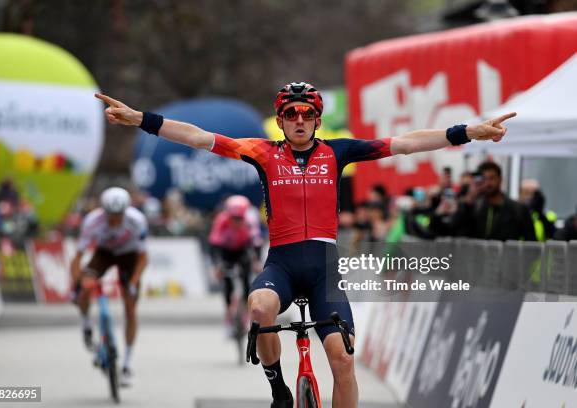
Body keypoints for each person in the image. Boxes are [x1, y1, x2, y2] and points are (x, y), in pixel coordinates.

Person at [95, 82, 515, 407]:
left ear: (317, 119)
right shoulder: (260, 151)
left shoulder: (339, 151)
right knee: (258, 309)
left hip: (325, 269)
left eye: (307, 114)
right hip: (282, 263)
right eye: (291, 114)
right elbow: (197, 137)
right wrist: (141, 120)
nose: (299, 120)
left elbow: (405, 143)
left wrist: (468, 132)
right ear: (280, 121)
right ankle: (278, 388)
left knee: (343, 360)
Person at [70, 187, 148, 387]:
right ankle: (87, 323)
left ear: (126, 210)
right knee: (85, 286)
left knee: (130, 308)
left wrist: (133, 282)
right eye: (111, 215)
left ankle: (127, 364)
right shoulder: (92, 221)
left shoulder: (137, 220)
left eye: (119, 215)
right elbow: (77, 258)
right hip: (103, 254)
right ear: (104, 211)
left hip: (129, 257)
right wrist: (78, 284)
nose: (115, 220)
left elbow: (143, 258)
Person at [208, 195, 262, 333]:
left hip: (242, 250)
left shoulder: (250, 221)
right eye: (233, 217)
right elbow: (214, 246)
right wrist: (217, 266)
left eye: (240, 218)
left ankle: (245, 314)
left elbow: (256, 244)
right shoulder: (221, 220)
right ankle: (228, 316)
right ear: (228, 214)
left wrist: (256, 262)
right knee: (227, 284)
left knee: (246, 282)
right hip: (226, 252)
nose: (236, 221)